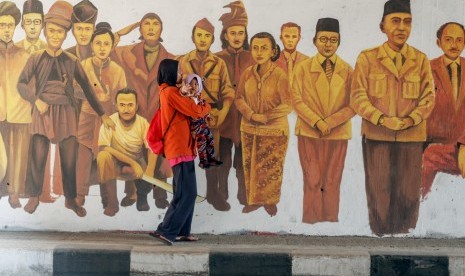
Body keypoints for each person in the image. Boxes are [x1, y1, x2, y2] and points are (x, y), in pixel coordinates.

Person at [17, 1, 114, 217]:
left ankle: (71, 199)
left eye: (60, 32)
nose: (55, 35)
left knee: (69, 158)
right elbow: (21, 84)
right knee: (38, 156)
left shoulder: (71, 61)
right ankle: (34, 197)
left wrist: (103, 115)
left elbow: (88, 89)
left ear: (65, 35)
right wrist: (36, 100)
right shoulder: (35, 58)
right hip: (42, 112)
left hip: (67, 114)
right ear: (45, 31)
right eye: (51, 31)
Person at [351, 0, 435, 235]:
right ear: (383, 26)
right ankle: (380, 236)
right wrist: (381, 118)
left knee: (408, 192)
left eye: (407, 22)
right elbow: (357, 97)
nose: (401, 28)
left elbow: (429, 98)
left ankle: (406, 236)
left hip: (412, 136)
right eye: (395, 21)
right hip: (377, 134)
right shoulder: (367, 58)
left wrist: (410, 120)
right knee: (379, 191)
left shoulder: (420, 59)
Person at [293, 18, 355, 224]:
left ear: (339, 42)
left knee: (332, 179)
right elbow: (296, 99)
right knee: (312, 178)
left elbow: (354, 103)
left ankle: (330, 221)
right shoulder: (302, 68)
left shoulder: (347, 70)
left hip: (338, 133)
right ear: (314, 41)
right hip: (309, 132)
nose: (328, 44)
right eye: (323, 39)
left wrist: (332, 121)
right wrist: (317, 121)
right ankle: (311, 221)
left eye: (333, 40)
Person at [112, 12, 174, 210]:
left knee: (159, 157)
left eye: (156, 24)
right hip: (135, 115)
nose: (151, 27)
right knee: (134, 153)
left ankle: (160, 193)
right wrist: (123, 31)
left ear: (161, 29)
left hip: (157, 115)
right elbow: (107, 46)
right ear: (140, 29)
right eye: (146, 24)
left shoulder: (170, 59)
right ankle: (133, 193)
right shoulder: (126, 53)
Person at [149, 59, 211, 245]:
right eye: (179, 71)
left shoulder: (168, 92)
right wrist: (206, 106)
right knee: (188, 193)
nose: (182, 75)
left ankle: (180, 231)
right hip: (179, 148)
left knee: (183, 193)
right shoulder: (170, 92)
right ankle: (168, 231)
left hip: (182, 147)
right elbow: (195, 111)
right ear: (169, 73)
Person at [178, 18, 235, 211]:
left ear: (212, 40)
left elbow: (228, 92)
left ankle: (212, 193)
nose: (203, 39)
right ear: (193, 37)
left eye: (207, 36)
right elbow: (175, 90)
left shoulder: (219, 64)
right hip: (188, 114)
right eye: (199, 35)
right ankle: (183, 194)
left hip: (210, 115)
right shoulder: (183, 62)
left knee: (211, 155)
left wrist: (223, 112)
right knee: (183, 155)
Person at [235, 32, 291, 217]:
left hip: (274, 130)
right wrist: (251, 114)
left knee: (271, 168)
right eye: (255, 48)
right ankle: (254, 201)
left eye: (264, 48)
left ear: (273, 50)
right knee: (250, 167)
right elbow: (239, 98)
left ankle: (270, 202)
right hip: (250, 128)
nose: (259, 52)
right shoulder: (247, 74)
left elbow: (288, 104)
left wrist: (266, 116)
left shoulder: (280, 75)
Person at [76, 22, 127, 207]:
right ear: (92, 45)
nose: (102, 48)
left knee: (107, 160)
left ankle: (110, 200)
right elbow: (74, 90)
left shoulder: (117, 70)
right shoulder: (83, 66)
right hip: (87, 118)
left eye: (106, 44)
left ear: (112, 46)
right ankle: (80, 196)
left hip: (108, 121)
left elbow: (123, 97)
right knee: (83, 159)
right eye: (98, 43)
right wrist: (93, 95)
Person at [215, 0, 254, 207]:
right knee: (222, 158)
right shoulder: (216, 59)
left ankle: (243, 193)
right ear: (225, 35)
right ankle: (222, 192)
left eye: (241, 33)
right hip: (223, 117)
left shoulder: (253, 58)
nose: (237, 37)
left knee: (243, 160)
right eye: (233, 33)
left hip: (246, 119)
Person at [421, 22, 465, 199]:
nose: (454, 45)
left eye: (459, 40)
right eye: (448, 40)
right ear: (439, 43)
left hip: (461, 145)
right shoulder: (426, 68)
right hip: (430, 143)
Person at [96, 88, 156, 216]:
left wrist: (149, 171)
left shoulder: (143, 123)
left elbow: (152, 148)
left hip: (137, 165)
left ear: (136, 106)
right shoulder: (109, 122)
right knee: (103, 156)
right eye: (122, 105)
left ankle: (141, 196)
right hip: (115, 165)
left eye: (130, 105)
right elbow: (104, 147)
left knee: (149, 170)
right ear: (116, 106)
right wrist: (130, 163)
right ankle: (113, 202)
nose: (126, 109)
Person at [0, 1, 31, 208]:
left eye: (10, 25)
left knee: (17, 156)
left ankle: (14, 194)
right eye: (2, 25)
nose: (6, 30)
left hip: (19, 112)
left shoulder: (25, 54)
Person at [182, 74, 222, 169]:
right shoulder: (187, 99)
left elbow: (204, 109)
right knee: (202, 142)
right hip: (195, 126)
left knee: (210, 138)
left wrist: (208, 115)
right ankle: (203, 161)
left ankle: (211, 158)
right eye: (191, 84)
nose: (194, 86)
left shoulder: (199, 98)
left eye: (196, 84)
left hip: (203, 124)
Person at [276, 22, 309, 87]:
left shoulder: (307, 61)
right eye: (287, 36)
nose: (290, 40)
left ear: (299, 38)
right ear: (281, 37)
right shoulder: (273, 61)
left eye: (294, 37)